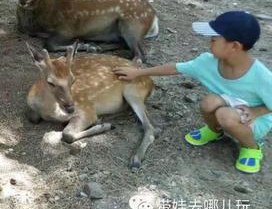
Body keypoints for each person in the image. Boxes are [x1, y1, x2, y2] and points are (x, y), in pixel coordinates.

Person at [114, 11, 271, 173]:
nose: (209, 44)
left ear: (234, 46)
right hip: (231, 106)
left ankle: (251, 147)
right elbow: (175, 68)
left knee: (225, 115)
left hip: (255, 119)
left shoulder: (261, 76)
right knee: (209, 102)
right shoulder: (208, 62)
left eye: (213, 40)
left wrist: (257, 111)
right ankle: (214, 130)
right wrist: (138, 73)